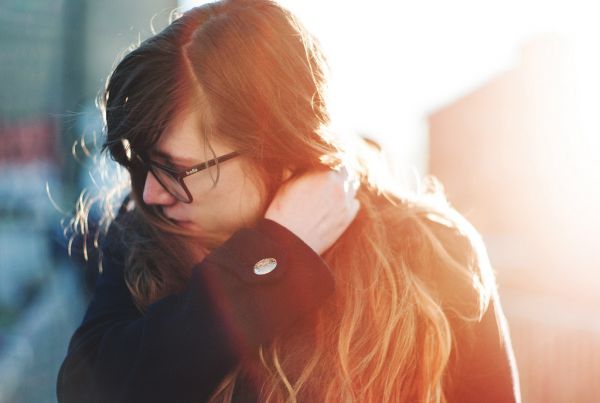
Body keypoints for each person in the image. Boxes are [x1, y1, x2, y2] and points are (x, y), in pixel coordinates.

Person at [57, 0, 521, 402]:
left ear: (278, 149)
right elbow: (89, 392)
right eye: (139, 162)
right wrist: (273, 252)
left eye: (176, 170)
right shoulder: (143, 235)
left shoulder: (432, 251)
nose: (151, 193)